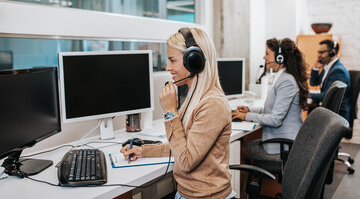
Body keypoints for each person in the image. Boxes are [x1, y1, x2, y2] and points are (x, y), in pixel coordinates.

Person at [120, 28, 236, 199]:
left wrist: (170, 112)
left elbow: (186, 161)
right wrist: (143, 151)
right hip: (188, 194)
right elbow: (182, 147)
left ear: (194, 60)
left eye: (172, 60)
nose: (168, 67)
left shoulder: (213, 104)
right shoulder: (195, 97)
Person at [232, 38, 308, 158]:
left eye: (267, 54)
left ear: (279, 58)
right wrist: (249, 110)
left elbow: (275, 119)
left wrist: (246, 117)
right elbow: (271, 109)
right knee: (240, 146)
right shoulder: (282, 77)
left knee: (237, 150)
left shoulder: (286, 81)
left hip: (282, 147)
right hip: (280, 141)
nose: (264, 57)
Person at [309, 39, 350, 121]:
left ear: (332, 52)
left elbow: (327, 95)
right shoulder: (328, 67)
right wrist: (315, 69)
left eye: (321, 52)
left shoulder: (338, 71)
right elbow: (313, 83)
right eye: (318, 52)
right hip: (330, 111)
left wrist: (306, 94)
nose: (318, 55)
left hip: (337, 114)